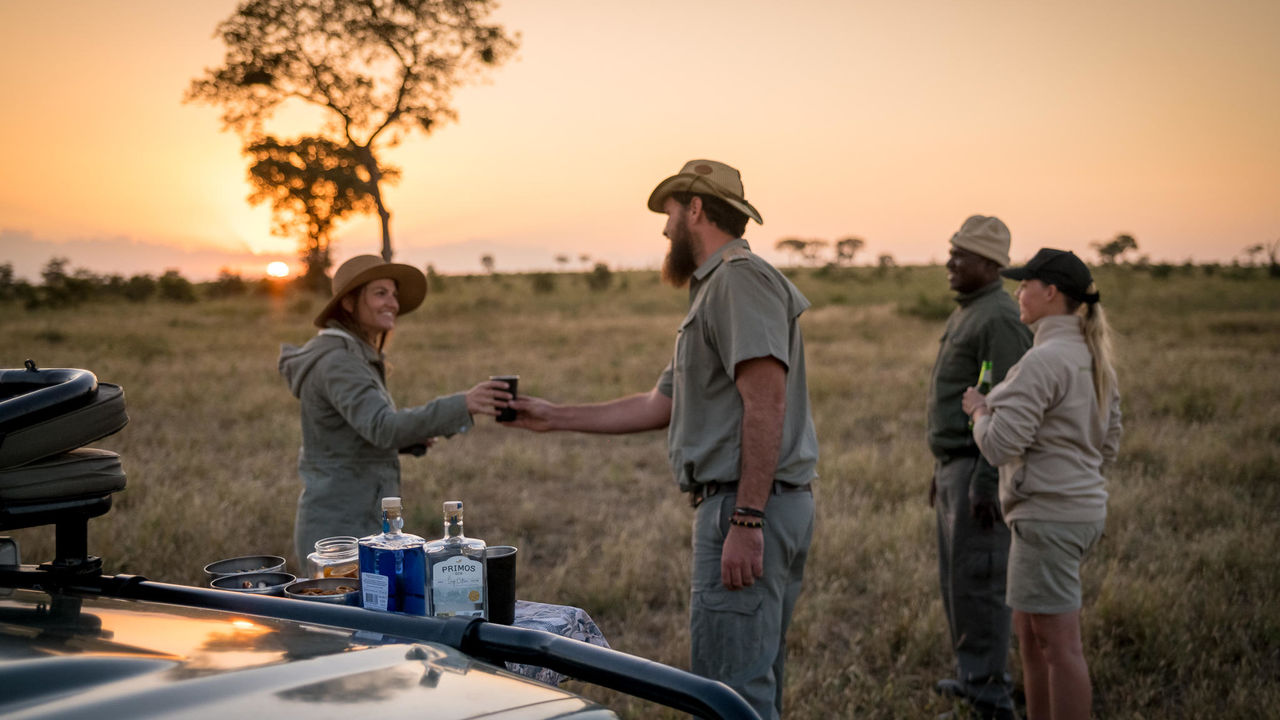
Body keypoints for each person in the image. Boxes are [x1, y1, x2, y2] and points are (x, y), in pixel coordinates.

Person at [506, 159, 818, 720]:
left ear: (695, 208)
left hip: (745, 507)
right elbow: (661, 404)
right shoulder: (714, 290)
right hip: (752, 504)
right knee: (748, 681)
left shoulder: (738, 280)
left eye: (671, 212)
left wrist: (746, 520)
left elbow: (766, 401)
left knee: (732, 695)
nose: (665, 227)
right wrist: (553, 416)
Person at [963, 248, 1122, 720]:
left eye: (1025, 284)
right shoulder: (1094, 360)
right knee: (1031, 635)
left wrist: (978, 410)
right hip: (1079, 513)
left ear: (1050, 292)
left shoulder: (1041, 362)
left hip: (1047, 519)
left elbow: (997, 447)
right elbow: (1109, 445)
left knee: (1059, 647)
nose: (1017, 292)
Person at [279, 255, 512, 565]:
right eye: (380, 293)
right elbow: (382, 427)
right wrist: (462, 404)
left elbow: (353, 433)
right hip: (342, 531)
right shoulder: (339, 362)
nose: (393, 303)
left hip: (354, 518)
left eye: (394, 294)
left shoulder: (350, 355)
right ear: (348, 303)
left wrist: (408, 440)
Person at [926, 216, 1032, 719]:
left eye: (961, 255)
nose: (950, 263)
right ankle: (973, 678)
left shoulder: (998, 319)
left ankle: (991, 697)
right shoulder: (970, 311)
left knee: (980, 581)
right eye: (952, 252)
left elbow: (1007, 405)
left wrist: (985, 480)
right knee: (959, 583)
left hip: (979, 468)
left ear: (991, 265)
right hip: (957, 466)